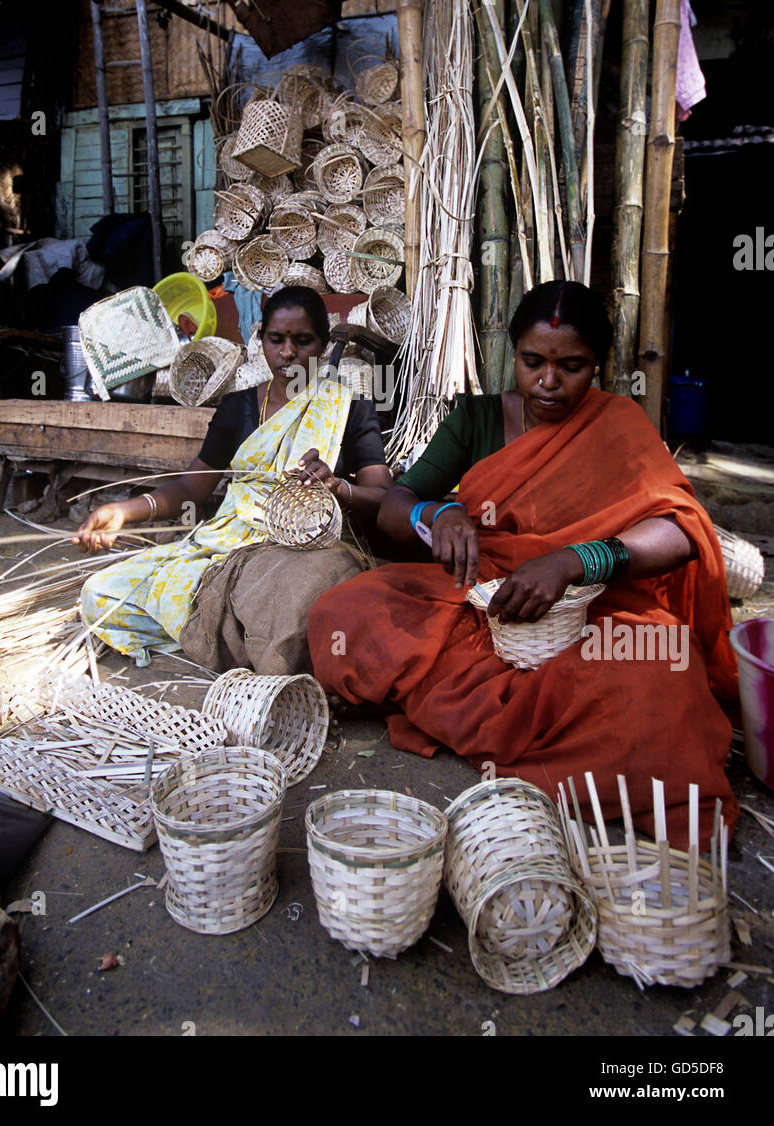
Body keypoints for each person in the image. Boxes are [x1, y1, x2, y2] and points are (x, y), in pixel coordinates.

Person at [308, 281, 739, 844]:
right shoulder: (477, 418)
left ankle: (445, 706)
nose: (549, 382)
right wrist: (438, 516)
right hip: (478, 597)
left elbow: (679, 530)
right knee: (346, 610)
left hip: (595, 610)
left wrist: (573, 561)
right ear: (511, 354)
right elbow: (395, 504)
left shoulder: (619, 424)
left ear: (598, 366)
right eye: (532, 362)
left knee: (661, 684)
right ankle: (525, 719)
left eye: (573, 366)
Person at [75, 286, 394, 674]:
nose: (288, 353)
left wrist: (339, 489)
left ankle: (223, 637)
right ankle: (221, 638)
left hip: (298, 551)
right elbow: (192, 487)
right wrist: (124, 512)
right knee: (101, 593)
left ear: (324, 345)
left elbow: (382, 497)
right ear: (260, 342)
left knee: (295, 602)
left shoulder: (349, 409)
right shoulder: (239, 406)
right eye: (277, 340)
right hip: (224, 545)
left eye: (303, 341)